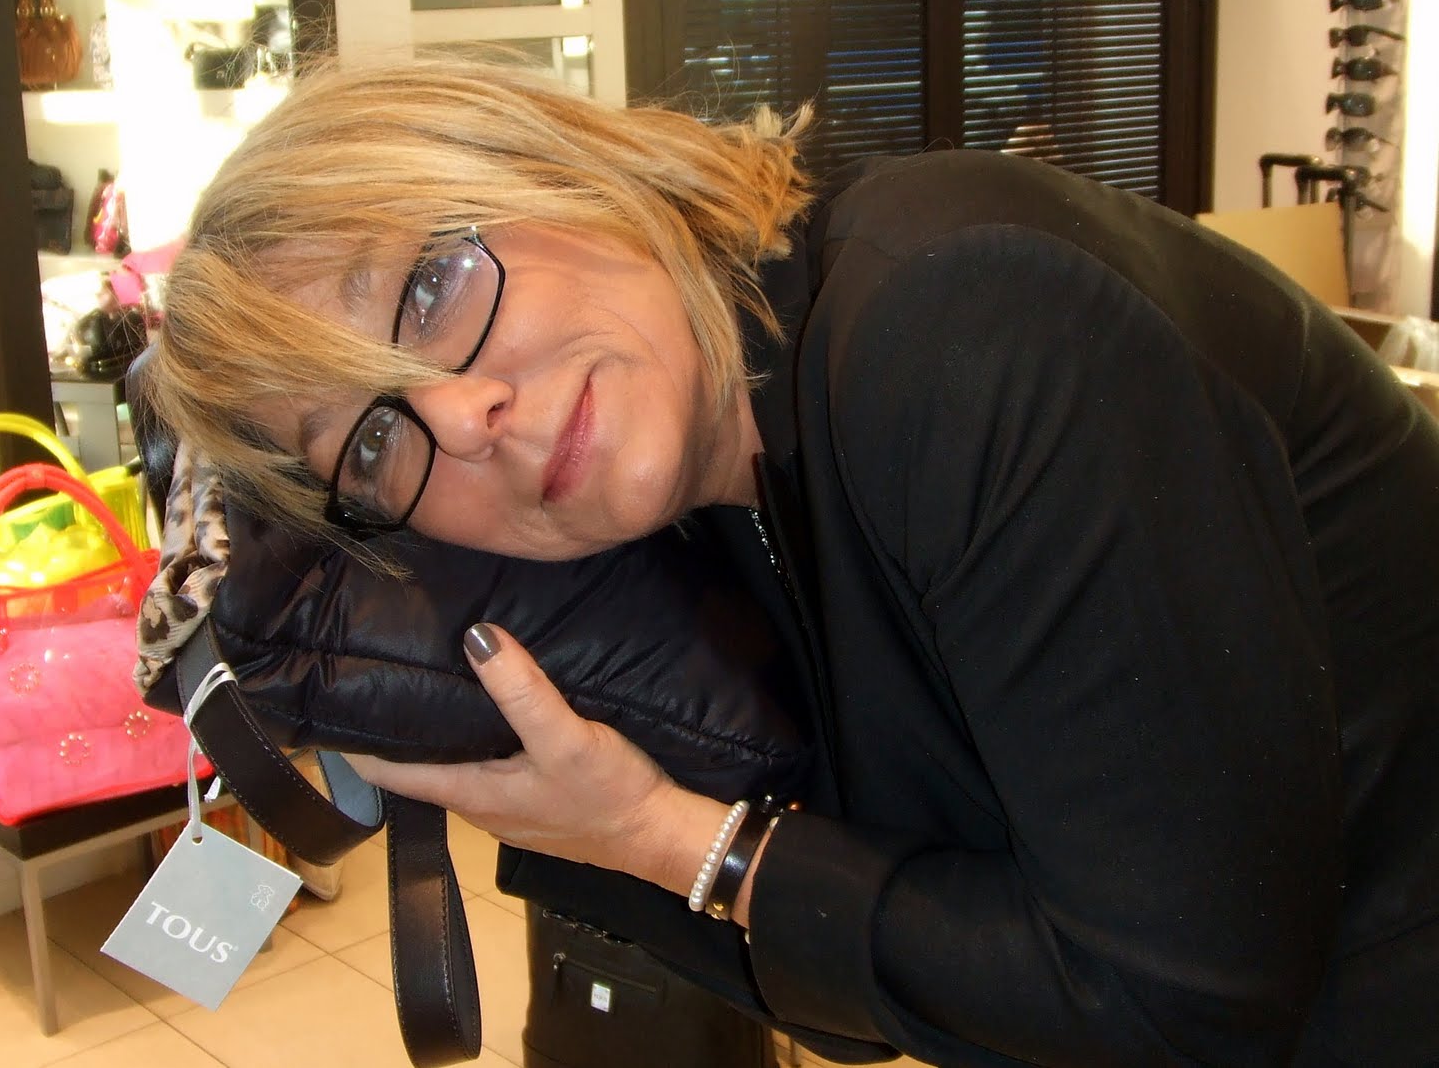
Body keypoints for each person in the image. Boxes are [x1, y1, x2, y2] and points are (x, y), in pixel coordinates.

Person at [145, 58, 1439, 1067]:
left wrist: (673, 840)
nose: (462, 416)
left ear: (548, 160)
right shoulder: (702, 515)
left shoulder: (959, 330)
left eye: (427, 287)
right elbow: (882, 989)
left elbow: (1185, 1016)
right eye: (374, 442)